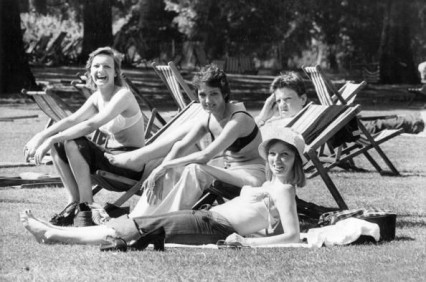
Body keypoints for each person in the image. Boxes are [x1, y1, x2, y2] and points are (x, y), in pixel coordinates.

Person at [20, 128, 305, 250]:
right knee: (138, 224)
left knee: (139, 227)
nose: (277, 161)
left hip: (213, 226)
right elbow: (275, 225)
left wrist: (248, 242)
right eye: (273, 154)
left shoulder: (284, 189)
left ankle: (53, 234)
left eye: (285, 156)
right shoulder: (271, 185)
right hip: (207, 218)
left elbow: (292, 235)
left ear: (296, 162)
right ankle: (56, 232)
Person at [106, 64, 266, 217]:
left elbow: (205, 156)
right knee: (170, 171)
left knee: (194, 169)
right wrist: (160, 169)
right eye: (202, 95)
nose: (208, 100)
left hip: (252, 176)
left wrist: (166, 165)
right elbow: (180, 146)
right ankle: (137, 218)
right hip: (229, 171)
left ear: (224, 94)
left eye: (214, 94)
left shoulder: (238, 119)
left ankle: (164, 222)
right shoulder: (209, 118)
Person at [23, 47, 146, 226]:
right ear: (90, 70)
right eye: (96, 66)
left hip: (129, 165)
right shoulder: (98, 97)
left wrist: (50, 139)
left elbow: (91, 124)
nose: (100, 71)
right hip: (111, 158)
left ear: (116, 72)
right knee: (59, 143)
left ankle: (86, 207)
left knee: (70, 141)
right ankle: (73, 203)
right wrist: (41, 136)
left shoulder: (123, 95)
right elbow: (72, 119)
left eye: (107, 66)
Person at [255, 71, 425, 135]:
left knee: (374, 125)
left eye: (287, 99)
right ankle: (415, 120)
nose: (282, 105)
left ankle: (416, 121)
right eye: (278, 101)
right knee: (375, 124)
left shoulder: (293, 122)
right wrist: (263, 116)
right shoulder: (280, 120)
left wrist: (263, 118)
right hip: (339, 131)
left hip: (341, 135)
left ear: (303, 99)